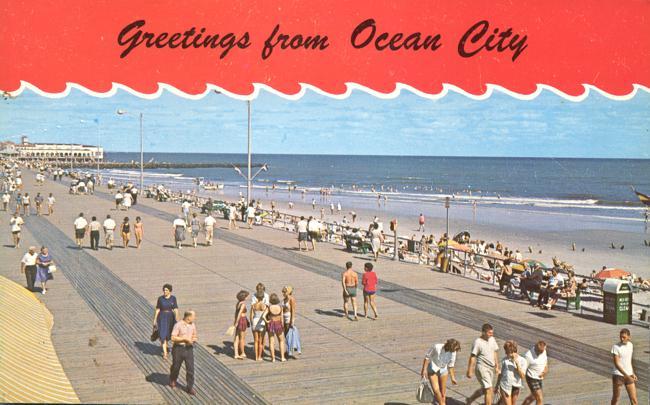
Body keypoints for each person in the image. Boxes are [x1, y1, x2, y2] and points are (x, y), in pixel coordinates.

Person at [466, 323, 500, 405]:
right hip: (482, 368)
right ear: (483, 332)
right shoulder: (478, 342)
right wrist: (470, 370)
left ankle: (470, 399)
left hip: (491, 367)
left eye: (492, 333)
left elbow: (494, 352)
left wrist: (497, 366)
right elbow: (473, 356)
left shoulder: (492, 339)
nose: (491, 334)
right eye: (489, 333)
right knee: (489, 389)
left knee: (486, 389)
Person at [420, 338, 461, 405]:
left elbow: (451, 366)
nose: (454, 351)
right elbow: (427, 357)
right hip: (433, 369)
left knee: (443, 393)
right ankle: (442, 403)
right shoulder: (437, 347)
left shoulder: (453, 352)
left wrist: (453, 378)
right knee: (436, 390)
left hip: (443, 370)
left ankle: (442, 403)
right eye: (453, 350)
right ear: (448, 346)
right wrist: (424, 370)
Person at [169, 310, 198, 395]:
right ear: (188, 317)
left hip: (189, 349)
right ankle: (173, 379)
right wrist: (184, 339)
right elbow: (173, 338)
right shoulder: (178, 325)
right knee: (176, 366)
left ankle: (189, 387)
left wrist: (194, 339)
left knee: (190, 369)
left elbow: (194, 335)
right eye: (193, 316)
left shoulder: (192, 325)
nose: (195, 318)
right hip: (178, 348)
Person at [610, 328, 638, 405]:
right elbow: (616, 364)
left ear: (629, 337)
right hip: (618, 375)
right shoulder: (615, 347)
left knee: (634, 400)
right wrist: (626, 375)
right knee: (616, 398)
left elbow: (629, 361)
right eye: (621, 337)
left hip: (629, 375)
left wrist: (633, 373)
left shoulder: (631, 345)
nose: (622, 339)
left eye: (624, 337)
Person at [153, 284, 179, 360]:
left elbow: (176, 309)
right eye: (164, 290)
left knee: (171, 334)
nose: (165, 291)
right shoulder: (160, 299)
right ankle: (165, 353)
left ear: (170, 291)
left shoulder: (173, 298)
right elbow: (158, 309)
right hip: (162, 318)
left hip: (171, 317)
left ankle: (171, 348)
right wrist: (154, 320)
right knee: (163, 334)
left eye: (166, 290)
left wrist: (177, 318)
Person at [498, 340, 527, 405]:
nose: (505, 353)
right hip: (505, 385)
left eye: (506, 351)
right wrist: (497, 385)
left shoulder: (522, 360)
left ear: (511, 350)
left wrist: (517, 363)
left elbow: (522, 376)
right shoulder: (504, 360)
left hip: (516, 386)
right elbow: (501, 374)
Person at [521, 341, 548, 405]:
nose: (541, 353)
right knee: (539, 398)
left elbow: (545, 360)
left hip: (540, 377)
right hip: (532, 378)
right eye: (540, 352)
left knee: (533, 397)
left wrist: (546, 369)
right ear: (536, 348)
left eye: (542, 351)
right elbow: (523, 369)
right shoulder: (528, 356)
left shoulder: (543, 350)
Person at [264, 293, 286, 362]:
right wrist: (283, 325)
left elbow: (263, 316)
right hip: (278, 323)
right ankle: (282, 357)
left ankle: (273, 358)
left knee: (271, 341)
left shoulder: (269, 307)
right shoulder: (280, 307)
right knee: (281, 341)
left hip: (271, 324)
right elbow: (282, 318)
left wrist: (267, 321)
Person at [250, 290, 268, 361]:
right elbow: (266, 315)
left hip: (255, 321)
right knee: (260, 341)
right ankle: (260, 356)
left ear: (257, 297)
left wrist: (252, 323)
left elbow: (251, 316)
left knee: (255, 341)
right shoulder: (264, 305)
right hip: (261, 322)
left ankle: (256, 357)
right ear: (263, 298)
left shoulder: (253, 305)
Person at [233, 290, 250, 360]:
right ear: (244, 297)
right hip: (242, 320)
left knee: (236, 337)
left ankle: (236, 354)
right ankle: (242, 352)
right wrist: (237, 322)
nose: (247, 297)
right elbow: (240, 313)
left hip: (237, 320)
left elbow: (236, 313)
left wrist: (235, 322)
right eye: (246, 296)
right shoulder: (243, 304)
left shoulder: (238, 303)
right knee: (242, 338)